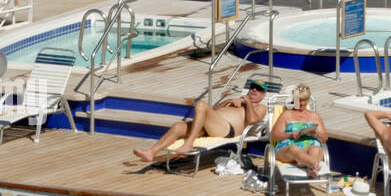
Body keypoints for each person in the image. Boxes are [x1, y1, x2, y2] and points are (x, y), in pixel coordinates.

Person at [133, 79, 268, 162]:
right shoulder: (236, 100)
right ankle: (151, 152)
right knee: (179, 126)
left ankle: (189, 144)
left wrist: (248, 103)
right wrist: (229, 101)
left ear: (263, 95)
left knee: (201, 104)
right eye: (252, 87)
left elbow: (252, 120)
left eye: (259, 89)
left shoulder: (261, 107)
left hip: (227, 130)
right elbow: (213, 110)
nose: (254, 90)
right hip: (212, 126)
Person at [271, 84, 329, 178]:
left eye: (304, 100)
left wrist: (316, 134)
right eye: (298, 100)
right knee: (293, 148)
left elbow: (324, 138)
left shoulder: (314, 116)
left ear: (308, 99)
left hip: (308, 148)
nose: (301, 103)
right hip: (287, 149)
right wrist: (290, 135)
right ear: (294, 100)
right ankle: (314, 166)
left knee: (316, 149)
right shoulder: (287, 114)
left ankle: (311, 167)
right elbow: (275, 136)